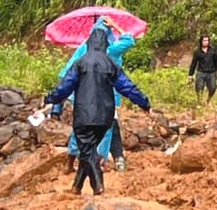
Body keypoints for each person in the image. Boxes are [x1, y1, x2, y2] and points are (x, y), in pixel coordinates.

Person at [45, 26, 152, 196]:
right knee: (89, 149)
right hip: (105, 118)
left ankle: (98, 186)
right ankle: (76, 187)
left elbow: (65, 87)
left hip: (84, 116)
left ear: (89, 43)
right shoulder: (110, 63)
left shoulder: (80, 63)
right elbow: (127, 87)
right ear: (105, 43)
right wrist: (144, 103)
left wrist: (50, 99)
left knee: (87, 151)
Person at [56, 19, 136, 171]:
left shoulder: (83, 49)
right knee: (106, 129)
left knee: (80, 128)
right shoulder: (112, 49)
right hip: (105, 97)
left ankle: (71, 161)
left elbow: (68, 71)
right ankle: (99, 162)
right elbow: (129, 40)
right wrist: (115, 25)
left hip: (83, 96)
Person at [188, 35, 217, 102]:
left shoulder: (213, 50)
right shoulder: (197, 51)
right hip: (201, 72)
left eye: (207, 40)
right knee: (199, 87)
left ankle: (208, 100)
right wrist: (190, 74)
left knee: (213, 87)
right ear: (201, 41)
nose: (206, 42)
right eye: (204, 40)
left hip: (211, 72)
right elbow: (193, 63)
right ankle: (200, 101)